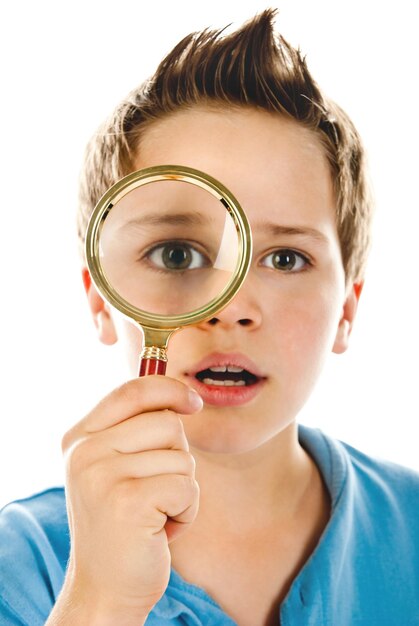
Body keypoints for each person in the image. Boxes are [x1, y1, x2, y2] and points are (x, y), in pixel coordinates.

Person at [1, 8, 418, 626]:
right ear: (101, 296)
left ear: (347, 311)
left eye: (285, 257)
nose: (228, 309)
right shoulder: (23, 565)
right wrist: (97, 602)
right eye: (177, 254)